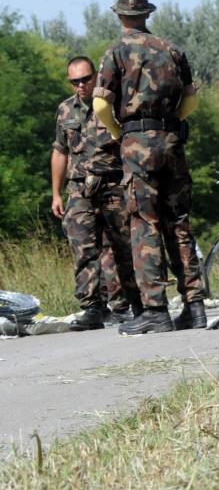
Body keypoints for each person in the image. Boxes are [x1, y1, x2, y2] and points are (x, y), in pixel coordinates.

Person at [92, 0, 206, 334]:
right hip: (172, 142)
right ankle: (195, 305)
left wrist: (116, 132)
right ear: (146, 14)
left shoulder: (116, 51)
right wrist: (174, 123)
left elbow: (99, 105)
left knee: (144, 222)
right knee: (179, 222)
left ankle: (156, 309)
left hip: (137, 143)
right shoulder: (172, 49)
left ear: (120, 15)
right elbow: (191, 99)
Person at [50, 56, 141, 331]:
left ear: (96, 77)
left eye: (85, 79)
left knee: (124, 247)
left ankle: (135, 304)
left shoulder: (113, 105)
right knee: (84, 248)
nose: (80, 85)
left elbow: (132, 144)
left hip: (113, 184)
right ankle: (92, 308)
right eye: (74, 81)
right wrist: (55, 193)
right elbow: (60, 151)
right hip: (79, 188)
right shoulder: (66, 110)